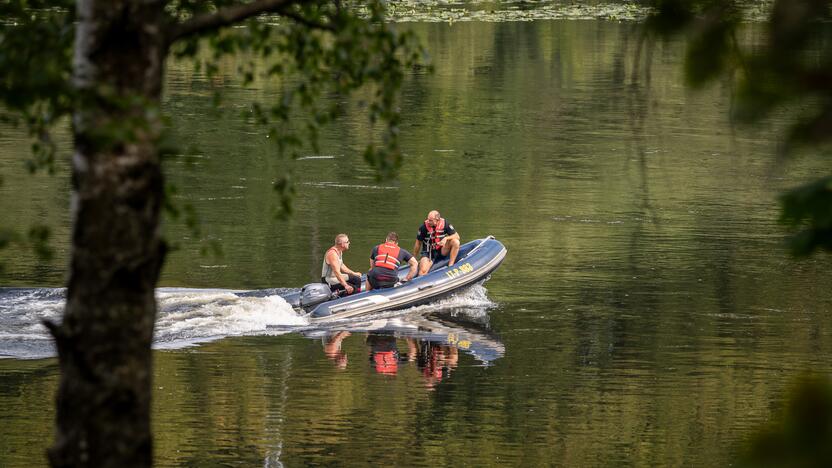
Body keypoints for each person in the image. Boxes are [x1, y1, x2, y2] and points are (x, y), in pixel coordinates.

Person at [413, 210, 461, 276]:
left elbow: (457, 236)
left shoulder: (445, 224)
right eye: (428, 219)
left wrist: (446, 238)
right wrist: (414, 258)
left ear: (437, 220)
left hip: (442, 250)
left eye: (431, 220)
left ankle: (450, 266)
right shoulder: (423, 227)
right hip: (428, 253)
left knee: (456, 242)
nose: (428, 221)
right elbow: (418, 244)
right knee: (422, 271)